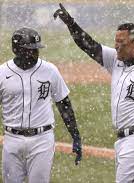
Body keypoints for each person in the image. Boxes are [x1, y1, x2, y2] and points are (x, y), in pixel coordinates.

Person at [54, 3, 134, 183]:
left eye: (121, 43)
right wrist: (71, 24)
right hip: (124, 141)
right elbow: (89, 46)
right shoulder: (117, 61)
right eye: (115, 41)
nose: (116, 47)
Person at [0, 27, 82, 183]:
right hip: (12, 140)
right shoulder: (2, 73)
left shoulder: (50, 70)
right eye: (29, 50)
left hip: (42, 140)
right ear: (16, 49)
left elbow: (64, 104)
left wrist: (76, 136)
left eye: (36, 50)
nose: (34, 54)